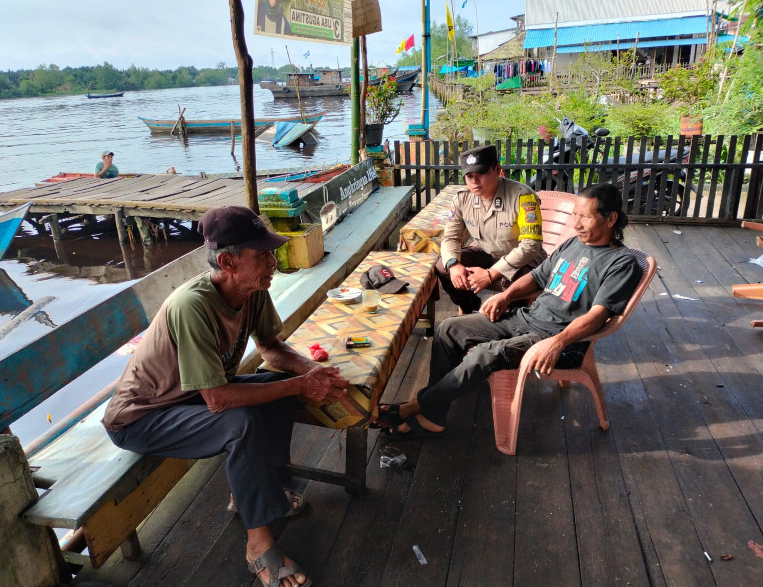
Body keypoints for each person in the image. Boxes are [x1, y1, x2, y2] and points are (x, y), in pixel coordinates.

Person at [103, 206, 349, 587]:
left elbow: (271, 348)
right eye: (262, 254)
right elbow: (218, 400)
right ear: (227, 261)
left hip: (191, 397)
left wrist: (311, 372)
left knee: (276, 392)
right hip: (143, 416)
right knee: (240, 422)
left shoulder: (253, 288)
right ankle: (259, 545)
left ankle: (258, 493)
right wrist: (300, 384)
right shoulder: (192, 305)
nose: (272, 261)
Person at [380, 183, 642, 439]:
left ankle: (414, 407)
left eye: (585, 217)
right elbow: (538, 278)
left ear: (611, 219)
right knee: (450, 328)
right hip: (527, 318)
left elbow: (597, 317)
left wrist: (558, 342)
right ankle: (433, 415)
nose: (576, 224)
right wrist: (506, 297)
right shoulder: (573, 244)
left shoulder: (621, 263)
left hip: (559, 338)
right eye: (575, 215)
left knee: (484, 354)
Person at [439, 144, 547, 314]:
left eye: (481, 173)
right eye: (469, 176)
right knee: (442, 265)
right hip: (487, 254)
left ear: (497, 169)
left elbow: (530, 245)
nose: (474, 182)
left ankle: (513, 319)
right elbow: (450, 238)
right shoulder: (462, 199)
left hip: (523, 260)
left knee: (520, 280)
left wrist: (490, 274)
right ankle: (470, 308)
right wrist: (453, 264)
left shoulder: (522, 196)